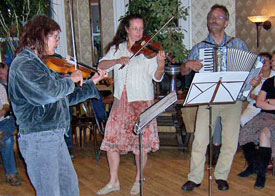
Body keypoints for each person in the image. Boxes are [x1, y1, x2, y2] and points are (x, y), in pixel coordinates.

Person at [8, 15, 107, 196]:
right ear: (41, 36)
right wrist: (71, 79)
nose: (58, 42)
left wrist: (92, 82)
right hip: (38, 139)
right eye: (55, 37)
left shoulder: (44, 64)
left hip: (55, 136)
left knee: (70, 190)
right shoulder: (24, 64)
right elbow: (48, 93)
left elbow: (64, 98)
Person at [181, 4, 249, 191]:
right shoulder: (200, 47)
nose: (213, 20)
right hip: (207, 99)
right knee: (200, 140)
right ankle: (194, 178)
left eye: (218, 17)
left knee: (230, 141)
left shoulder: (238, 44)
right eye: (211, 17)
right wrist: (188, 64)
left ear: (226, 22)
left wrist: (250, 83)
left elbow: (249, 70)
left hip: (232, 99)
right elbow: (183, 70)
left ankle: (221, 176)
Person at [96, 14, 165, 195]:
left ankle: (138, 180)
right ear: (126, 29)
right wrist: (118, 60)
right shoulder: (117, 48)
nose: (138, 32)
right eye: (135, 28)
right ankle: (113, 181)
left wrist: (161, 64)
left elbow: (157, 77)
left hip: (142, 101)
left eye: (141, 29)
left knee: (140, 145)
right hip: (121, 101)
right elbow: (101, 65)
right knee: (111, 140)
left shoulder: (148, 51)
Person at [238, 74, 275, 189]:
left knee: (264, 134)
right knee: (245, 132)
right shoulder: (269, 81)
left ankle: (261, 174)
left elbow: (263, 102)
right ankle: (254, 165)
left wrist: (267, 101)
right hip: (263, 115)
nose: (273, 63)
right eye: (273, 60)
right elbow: (259, 103)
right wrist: (271, 102)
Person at [0, 64, 21, 186]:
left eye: (6, 72)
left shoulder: (3, 88)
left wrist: (2, 112)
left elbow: (6, 106)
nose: (5, 75)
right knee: (7, 140)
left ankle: (11, 174)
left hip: (6, 119)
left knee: (6, 138)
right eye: (2, 73)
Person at [241, 52, 274, 127]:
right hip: (254, 106)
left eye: (266, 60)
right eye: (261, 60)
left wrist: (258, 97)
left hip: (269, 106)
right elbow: (247, 96)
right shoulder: (253, 76)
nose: (264, 62)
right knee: (243, 119)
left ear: (270, 63)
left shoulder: (273, 77)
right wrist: (253, 86)